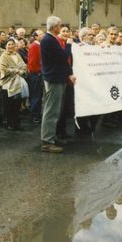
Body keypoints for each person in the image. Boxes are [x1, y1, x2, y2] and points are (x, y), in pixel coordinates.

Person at [40, 16, 75, 153]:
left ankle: (51, 137)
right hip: (53, 79)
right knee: (51, 111)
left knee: (55, 110)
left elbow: (61, 60)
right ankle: (47, 141)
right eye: (59, 26)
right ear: (55, 27)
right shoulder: (48, 40)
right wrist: (69, 45)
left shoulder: (51, 39)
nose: (60, 28)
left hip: (57, 77)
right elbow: (62, 57)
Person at [0, 39, 27, 131]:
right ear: (6, 46)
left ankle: (16, 124)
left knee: (16, 104)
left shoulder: (17, 54)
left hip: (17, 83)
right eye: (8, 44)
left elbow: (23, 65)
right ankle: (9, 123)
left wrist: (20, 70)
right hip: (7, 84)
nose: (10, 46)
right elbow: (3, 69)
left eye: (12, 44)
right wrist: (17, 70)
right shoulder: (3, 56)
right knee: (8, 105)